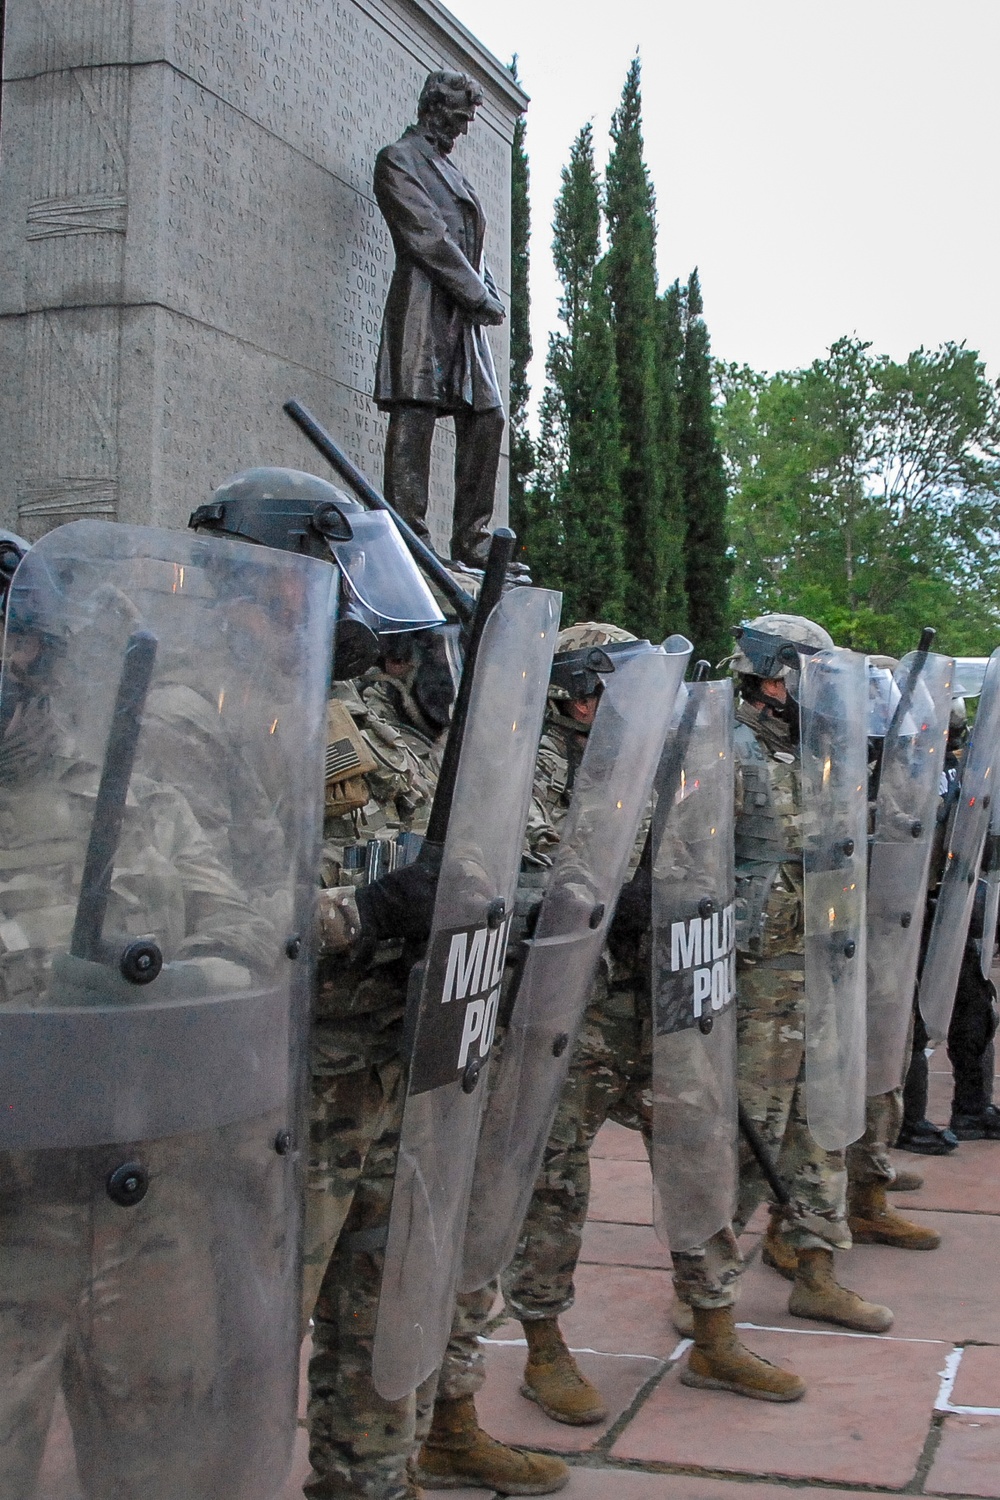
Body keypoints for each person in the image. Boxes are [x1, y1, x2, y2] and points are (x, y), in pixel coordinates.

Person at [501, 624, 804, 1425]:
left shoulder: (672, 756)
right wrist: (596, 906)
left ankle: (714, 1331)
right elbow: (499, 883)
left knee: (700, 1155)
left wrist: (719, 919)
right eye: (605, 694)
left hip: (669, 994)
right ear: (572, 692)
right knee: (550, 1179)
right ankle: (542, 1347)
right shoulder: (528, 762)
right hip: (573, 1006)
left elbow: (741, 846)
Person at [730, 614, 894, 1334]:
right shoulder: (722, 751)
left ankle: (817, 1271)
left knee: (822, 1126)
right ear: (771, 680)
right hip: (756, 982)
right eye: (809, 679)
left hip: (822, 970)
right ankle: (702, 1291)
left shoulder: (820, 755)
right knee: (745, 1142)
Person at [373, 70, 506, 568]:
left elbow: (472, 244)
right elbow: (427, 237)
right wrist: (476, 293)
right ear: (435, 106)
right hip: (424, 305)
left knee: (487, 415)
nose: (466, 126)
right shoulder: (398, 160)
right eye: (460, 115)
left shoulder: (453, 173)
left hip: (462, 312)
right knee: (416, 413)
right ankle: (407, 534)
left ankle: (472, 541)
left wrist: (486, 290)